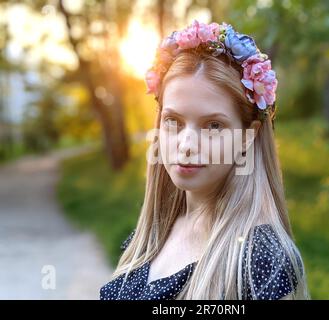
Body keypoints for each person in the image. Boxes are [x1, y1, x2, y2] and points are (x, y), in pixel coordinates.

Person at [100, 20, 309, 300]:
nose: (186, 145)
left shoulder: (260, 260)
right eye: (173, 121)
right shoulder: (149, 237)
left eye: (213, 126)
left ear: (248, 136)